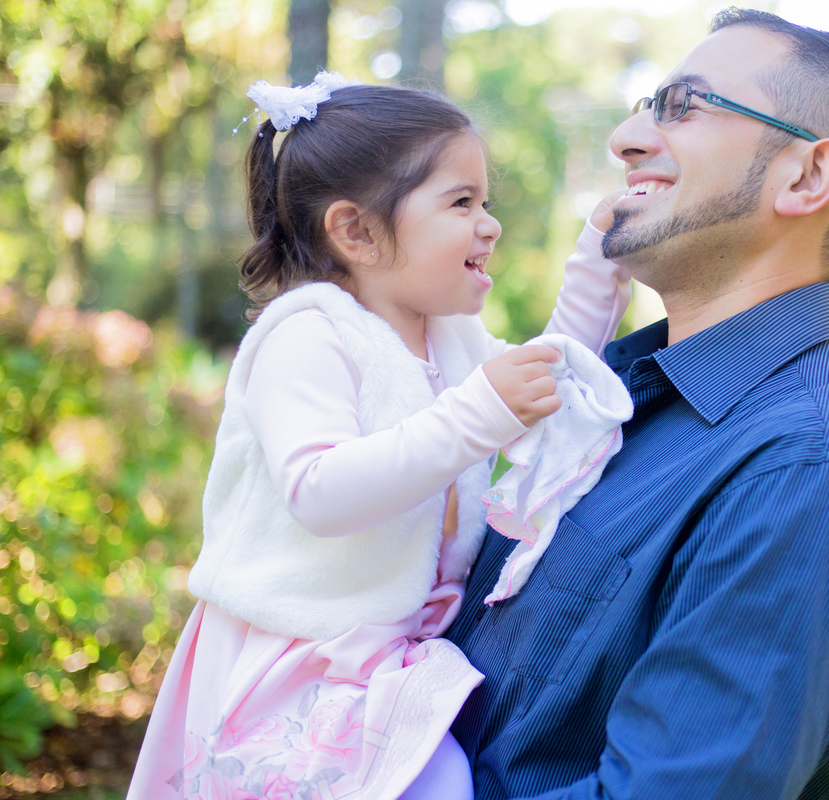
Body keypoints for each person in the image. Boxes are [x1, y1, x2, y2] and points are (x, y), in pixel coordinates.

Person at [447, 9, 829, 799]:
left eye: (683, 107)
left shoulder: (808, 471)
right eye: (645, 106)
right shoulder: (624, 403)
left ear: (807, 177)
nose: (625, 139)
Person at [127, 75, 630, 800]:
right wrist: (476, 414)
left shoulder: (450, 338)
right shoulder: (307, 336)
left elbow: (544, 381)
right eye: (461, 203)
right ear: (357, 232)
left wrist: (600, 259)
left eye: (485, 203)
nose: (489, 224)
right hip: (295, 657)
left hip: (385, 658)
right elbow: (319, 491)